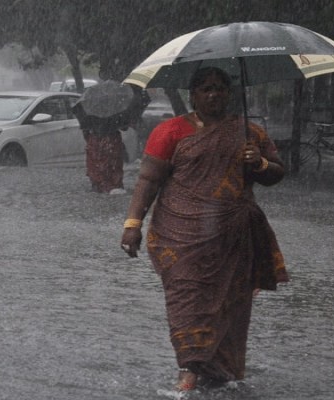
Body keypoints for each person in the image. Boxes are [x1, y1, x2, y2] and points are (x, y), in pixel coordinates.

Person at [119, 67, 289, 392]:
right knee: (187, 300)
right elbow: (148, 181)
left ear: (229, 93)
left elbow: (278, 174)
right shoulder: (169, 132)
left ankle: (221, 370)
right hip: (180, 238)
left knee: (230, 302)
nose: (214, 95)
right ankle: (190, 367)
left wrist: (260, 164)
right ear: (193, 95)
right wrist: (132, 224)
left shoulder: (249, 132)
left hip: (232, 240)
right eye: (206, 89)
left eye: (220, 89)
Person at [84, 123, 126, 194]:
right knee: (112, 166)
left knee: (99, 167)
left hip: (97, 140)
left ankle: (103, 186)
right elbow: (124, 128)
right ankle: (113, 186)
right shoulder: (116, 117)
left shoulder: (90, 119)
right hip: (112, 139)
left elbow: (85, 131)